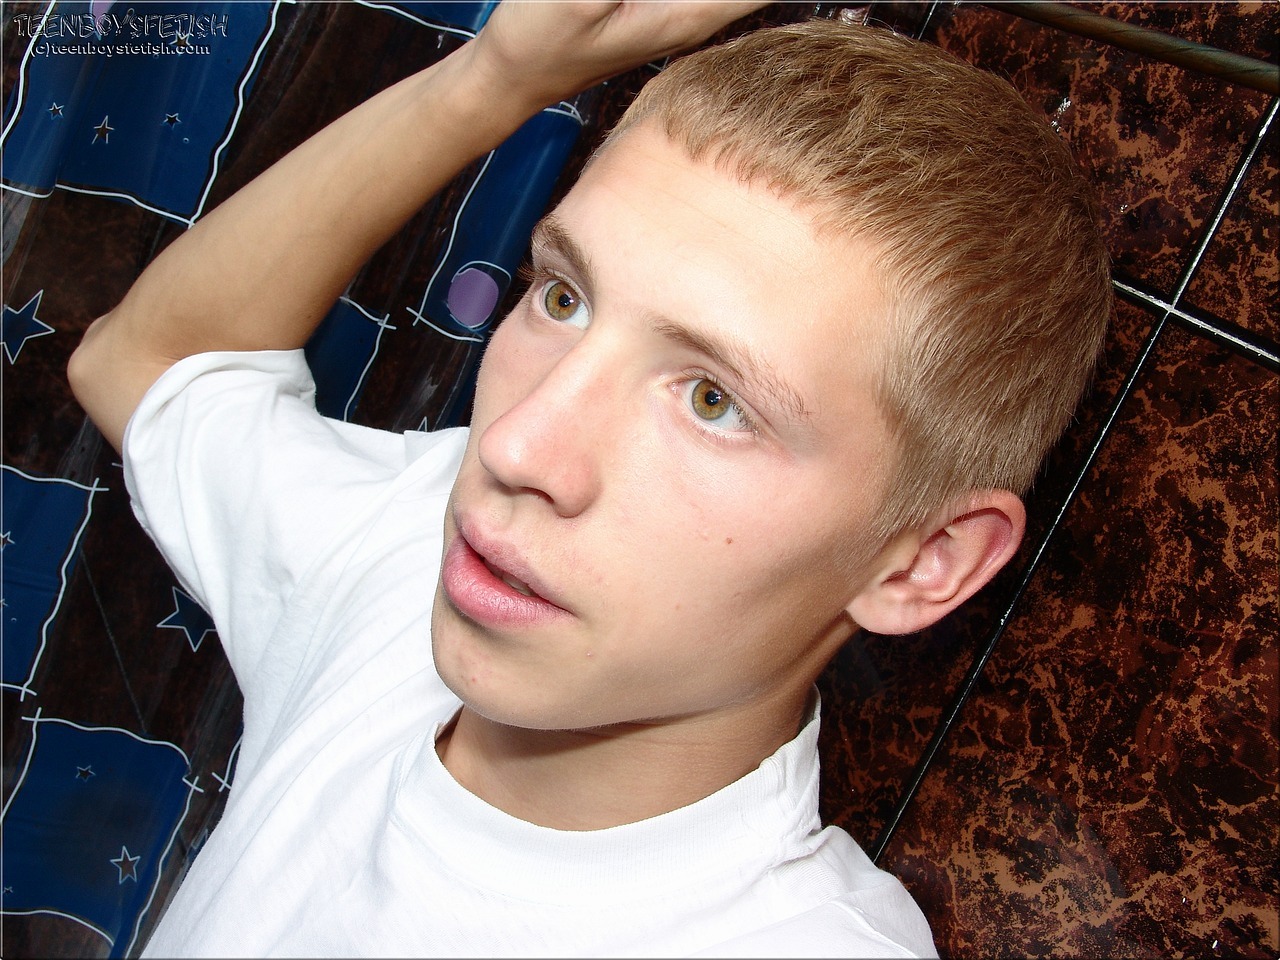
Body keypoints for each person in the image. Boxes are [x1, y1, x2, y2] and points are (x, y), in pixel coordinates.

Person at [68, 1, 1111, 956]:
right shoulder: (409, 564)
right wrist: (493, 78)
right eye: (562, 298)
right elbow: (145, 365)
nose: (516, 448)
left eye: (714, 401)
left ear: (921, 563)